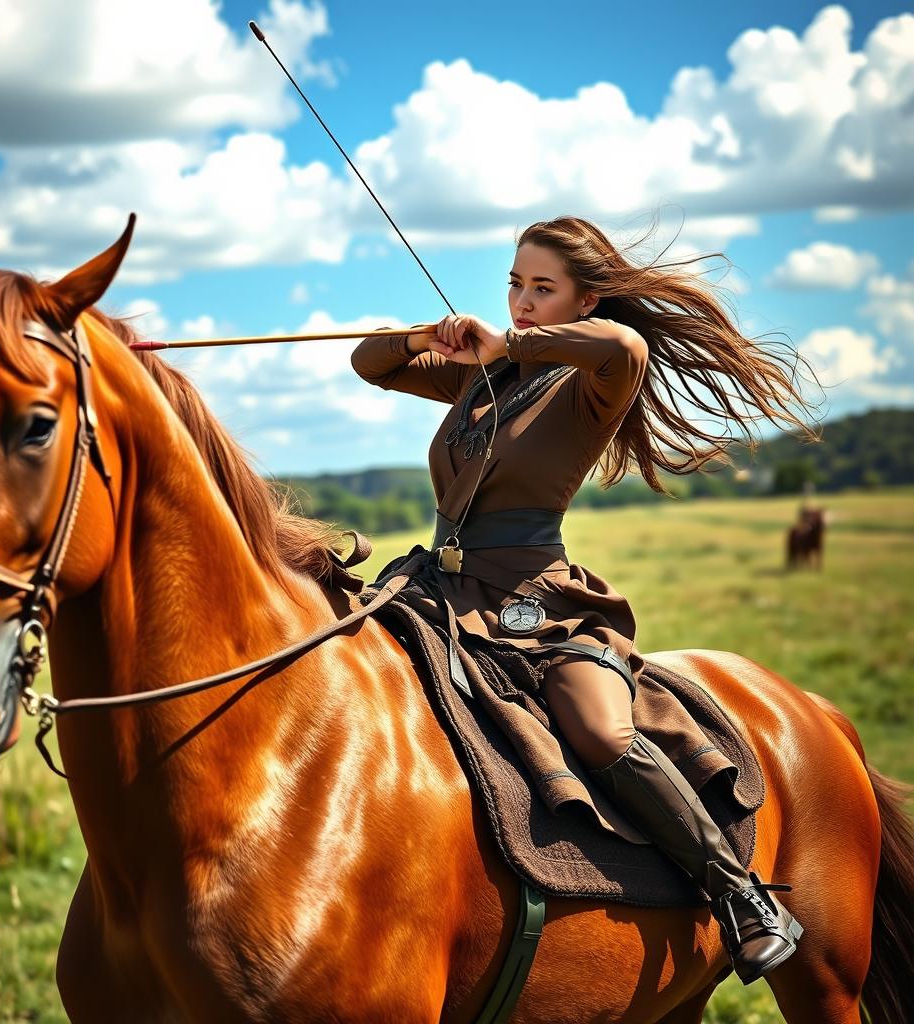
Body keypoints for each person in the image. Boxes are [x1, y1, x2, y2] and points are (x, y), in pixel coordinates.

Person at [351, 215, 821, 985]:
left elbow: (624, 345)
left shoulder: (592, 380)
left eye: (543, 288)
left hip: (536, 599)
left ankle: (741, 897)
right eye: (514, 284)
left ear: (586, 299)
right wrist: (422, 336)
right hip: (435, 584)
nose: (522, 301)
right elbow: (367, 362)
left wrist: (513, 342)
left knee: (599, 729)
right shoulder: (479, 375)